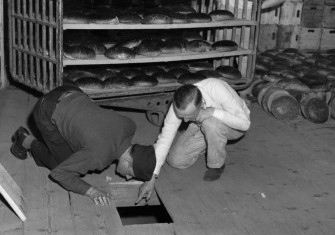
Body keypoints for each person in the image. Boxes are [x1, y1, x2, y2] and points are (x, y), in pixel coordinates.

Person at [10, 84, 156, 206]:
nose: (128, 178)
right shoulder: (99, 157)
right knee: (62, 163)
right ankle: (25, 140)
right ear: (127, 161)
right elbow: (59, 174)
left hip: (70, 90)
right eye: (131, 174)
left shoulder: (130, 126)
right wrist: (91, 191)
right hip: (45, 109)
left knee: (79, 144)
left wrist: (149, 178)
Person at [136, 78, 251, 204]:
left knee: (210, 124)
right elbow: (164, 139)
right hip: (202, 123)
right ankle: (211, 142)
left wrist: (212, 112)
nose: (185, 122)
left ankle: (217, 165)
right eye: (181, 117)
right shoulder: (179, 104)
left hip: (234, 125)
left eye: (189, 117)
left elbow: (245, 124)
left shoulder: (216, 89)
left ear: (201, 104)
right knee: (175, 161)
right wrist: (151, 177)